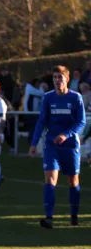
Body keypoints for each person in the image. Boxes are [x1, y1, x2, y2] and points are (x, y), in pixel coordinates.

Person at [29, 65, 85, 229]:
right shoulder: (48, 98)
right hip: (51, 145)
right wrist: (34, 143)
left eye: (60, 77)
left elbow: (81, 122)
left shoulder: (76, 98)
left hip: (70, 145)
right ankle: (49, 218)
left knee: (72, 180)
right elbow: (41, 122)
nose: (57, 80)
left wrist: (66, 135)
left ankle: (74, 216)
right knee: (50, 179)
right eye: (54, 77)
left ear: (67, 79)